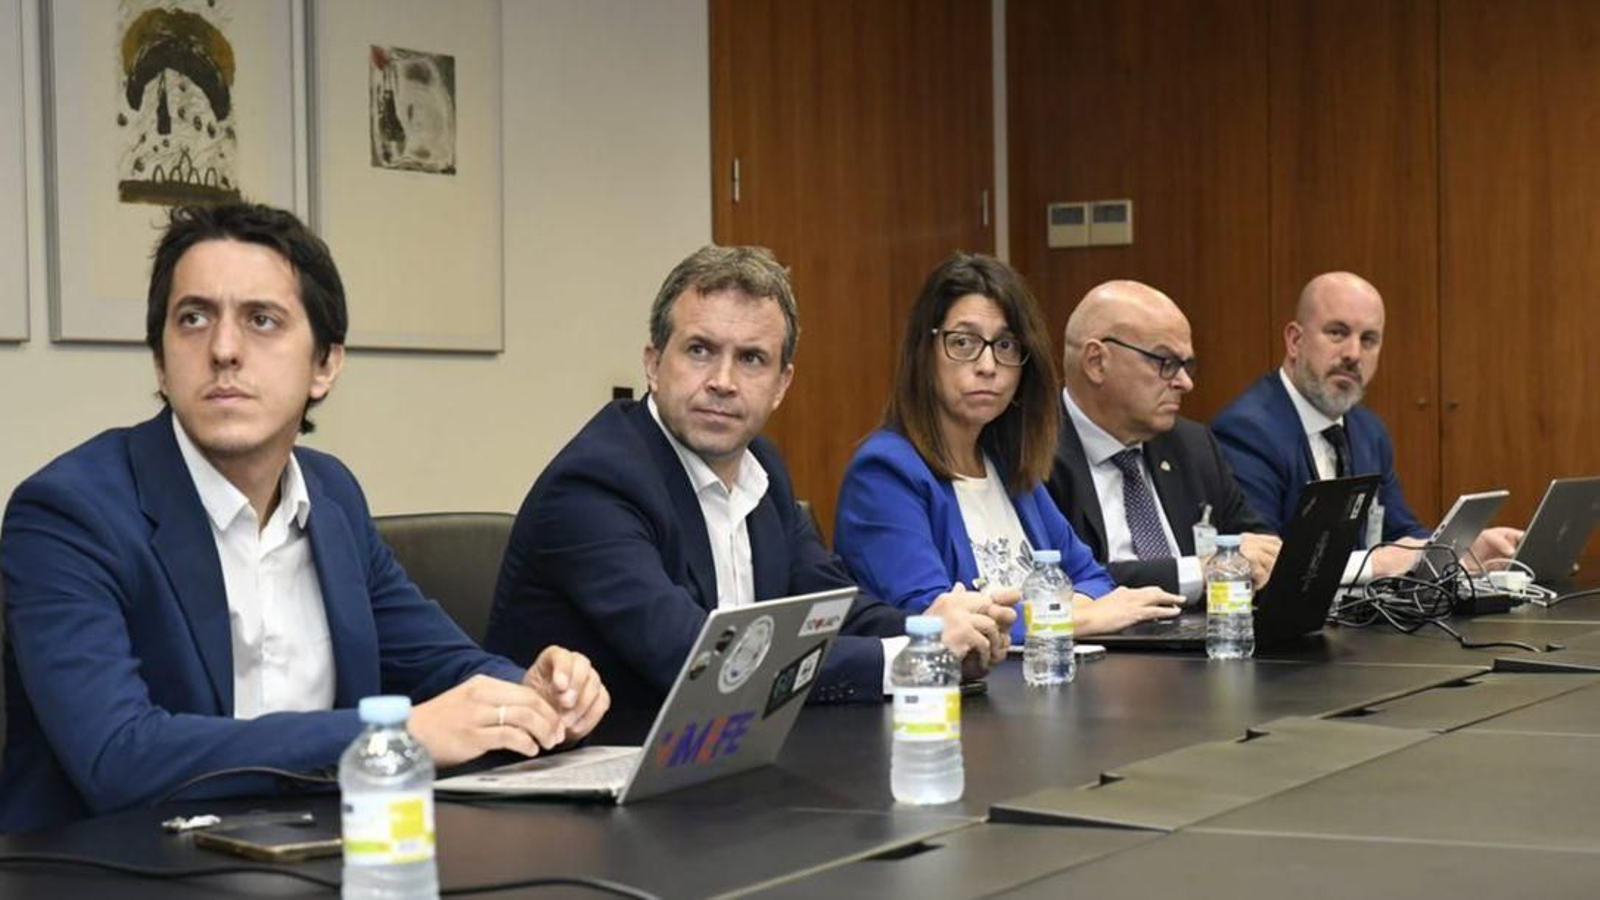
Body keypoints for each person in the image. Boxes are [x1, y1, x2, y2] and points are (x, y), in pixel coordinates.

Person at [0, 204, 608, 834]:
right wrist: (392, 735)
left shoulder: (331, 495)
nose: (225, 350)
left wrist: (531, 692)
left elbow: (441, 663)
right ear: (160, 360)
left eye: (262, 320)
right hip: (116, 871)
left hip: (317, 855)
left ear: (325, 366)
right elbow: (118, 756)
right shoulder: (68, 514)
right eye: (193, 319)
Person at [484, 245, 1015, 743]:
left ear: (782, 384)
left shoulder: (762, 467)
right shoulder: (595, 485)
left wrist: (939, 634)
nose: (722, 380)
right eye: (699, 350)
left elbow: (830, 609)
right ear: (652, 363)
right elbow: (700, 662)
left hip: (724, 765)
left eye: (752, 359)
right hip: (596, 787)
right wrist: (911, 656)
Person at [833, 254, 1183, 642]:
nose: (987, 365)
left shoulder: (1007, 465)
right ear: (924, 351)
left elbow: (1093, 578)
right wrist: (1074, 619)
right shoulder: (885, 473)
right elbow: (933, 619)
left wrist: (1061, 614)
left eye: (1005, 345)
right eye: (963, 342)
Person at [1212, 271, 1521, 579]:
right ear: (1295, 340)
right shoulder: (1246, 431)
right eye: (1337, 333)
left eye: (1368, 340)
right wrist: (1376, 565)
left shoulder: (1368, 431)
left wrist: (1460, 551)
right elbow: (1266, 562)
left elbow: (1400, 532)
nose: (1353, 354)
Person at [1047, 280, 1279, 599]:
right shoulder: (1034, 453)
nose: (1185, 383)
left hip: (1204, 638)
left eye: (1187, 365)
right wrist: (1199, 571)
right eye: (1166, 363)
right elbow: (1055, 579)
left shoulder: (1192, 445)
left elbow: (1257, 544)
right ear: (1096, 362)